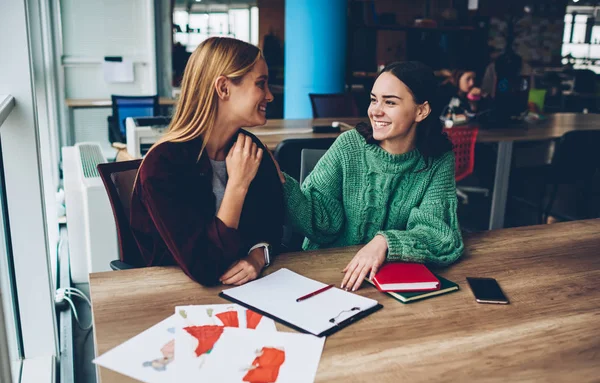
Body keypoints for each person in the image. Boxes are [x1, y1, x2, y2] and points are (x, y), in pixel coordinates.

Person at [272, 61, 464, 292]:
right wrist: (280, 181)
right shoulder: (349, 146)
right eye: (374, 99)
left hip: (385, 280)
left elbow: (440, 236)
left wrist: (384, 242)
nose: (375, 110)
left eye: (390, 102)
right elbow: (319, 223)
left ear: (421, 111)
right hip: (325, 273)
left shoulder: (438, 160)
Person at [130, 37, 284, 287]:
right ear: (223, 88)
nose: (269, 96)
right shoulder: (162, 165)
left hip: (248, 292)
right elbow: (204, 266)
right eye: (260, 84)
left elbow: (272, 226)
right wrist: (238, 186)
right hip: (171, 298)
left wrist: (258, 256)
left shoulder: (251, 150)